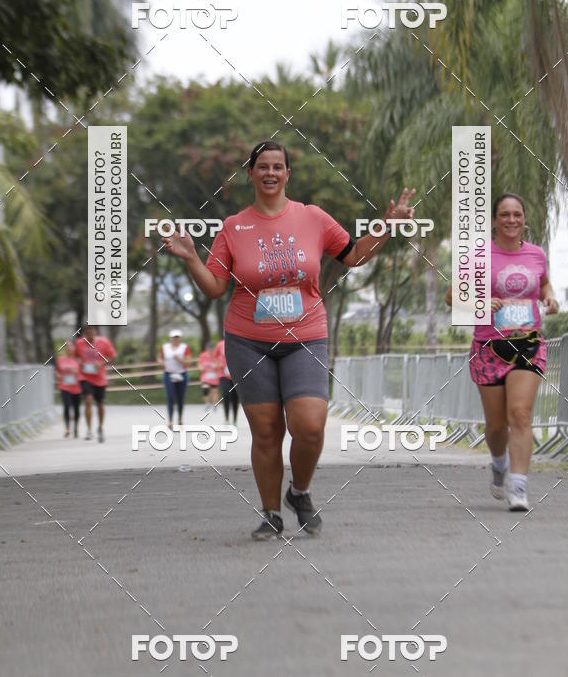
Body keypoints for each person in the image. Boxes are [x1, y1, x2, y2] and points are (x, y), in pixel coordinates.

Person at [164, 140, 415, 540]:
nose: (270, 173)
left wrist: (387, 224)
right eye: (262, 166)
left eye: (277, 167)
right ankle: (270, 513)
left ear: (287, 174)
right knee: (266, 432)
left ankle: (299, 491)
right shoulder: (233, 227)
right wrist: (192, 258)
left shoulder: (312, 218)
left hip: (306, 337)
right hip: (248, 340)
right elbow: (214, 287)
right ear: (250, 174)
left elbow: (354, 256)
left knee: (310, 425)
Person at [446, 193, 558, 512]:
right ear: (494, 220)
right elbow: (451, 296)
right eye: (505, 215)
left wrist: (549, 298)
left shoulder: (536, 254)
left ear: (524, 220)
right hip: (489, 347)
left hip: (528, 342)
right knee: (496, 427)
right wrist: (480, 303)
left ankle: (519, 487)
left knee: (520, 414)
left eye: (517, 215)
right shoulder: (479, 257)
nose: (512, 220)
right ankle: (499, 463)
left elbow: (544, 283)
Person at [74, 324, 117, 443]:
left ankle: (100, 427)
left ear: (95, 331)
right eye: (87, 332)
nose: (89, 334)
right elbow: (75, 356)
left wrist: (102, 363)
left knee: (100, 403)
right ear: (84, 333)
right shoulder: (79, 343)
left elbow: (112, 355)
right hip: (85, 376)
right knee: (88, 400)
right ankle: (88, 430)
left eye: (91, 331)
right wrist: (80, 363)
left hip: (99, 378)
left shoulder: (104, 342)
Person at [158, 330, 191, 428]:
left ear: (179, 338)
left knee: (180, 398)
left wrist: (180, 359)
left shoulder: (184, 347)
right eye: (174, 337)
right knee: (170, 397)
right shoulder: (165, 347)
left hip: (181, 374)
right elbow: (159, 358)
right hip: (169, 375)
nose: (175, 339)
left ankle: (180, 418)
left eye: (177, 337)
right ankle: (170, 421)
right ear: (170, 338)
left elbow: (188, 362)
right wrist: (161, 362)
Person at [56, 341, 82, 438]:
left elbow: (85, 373)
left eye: (71, 346)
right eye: (67, 346)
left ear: (74, 348)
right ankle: (67, 428)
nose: (69, 348)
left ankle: (75, 428)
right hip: (64, 386)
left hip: (77, 387)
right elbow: (57, 372)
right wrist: (58, 376)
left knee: (76, 409)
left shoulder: (79, 361)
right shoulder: (60, 359)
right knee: (66, 405)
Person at [214, 337, 238, 424]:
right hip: (223, 374)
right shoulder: (220, 344)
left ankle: (235, 420)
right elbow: (215, 356)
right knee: (226, 394)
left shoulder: (237, 343)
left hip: (235, 374)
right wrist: (218, 364)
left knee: (235, 397)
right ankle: (227, 419)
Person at [197, 342, 220, 412]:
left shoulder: (216, 356)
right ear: (207, 349)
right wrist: (201, 368)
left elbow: (219, 365)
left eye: (212, 349)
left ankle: (215, 405)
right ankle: (207, 403)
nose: (210, 351)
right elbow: (199, 364)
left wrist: (215, 365)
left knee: (214, 391)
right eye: (209, 349)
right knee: (205, 388)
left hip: (214, 376)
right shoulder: (203, 355)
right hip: (205, 376)